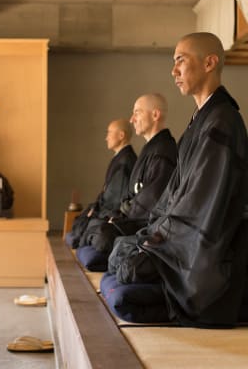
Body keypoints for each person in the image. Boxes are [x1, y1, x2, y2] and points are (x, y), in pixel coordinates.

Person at [108, 32, 248, 327]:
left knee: (123, 293)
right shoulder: (200, 121)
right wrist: (150, 236)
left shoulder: (222, 121)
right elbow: (169, 199)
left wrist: (157, 243)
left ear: (209, 63)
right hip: (179, 244)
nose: (174, 71)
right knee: (119, 259)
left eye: (180, 61)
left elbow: (201, 209)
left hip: (202, 263)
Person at [78, 93, 177, 259]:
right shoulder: (150, 149)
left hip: (145, 224)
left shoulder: (164, 151)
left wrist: (119, 220)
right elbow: (130, 195)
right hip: (131, 218)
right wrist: (117, 216)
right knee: (93, 226)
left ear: (155, 115)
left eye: (137, 112)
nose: (132, 119)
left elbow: (150, 202)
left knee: (103, 233)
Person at [65, 119, 137, 248]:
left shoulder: (126, 161)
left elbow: (114, 199)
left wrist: (96, 211)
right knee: (81, 222)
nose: (106, 138)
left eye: (109, 133)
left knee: (88, 226)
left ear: (121, 135)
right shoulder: (120, 158)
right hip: (105, 207)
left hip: (112, 213)